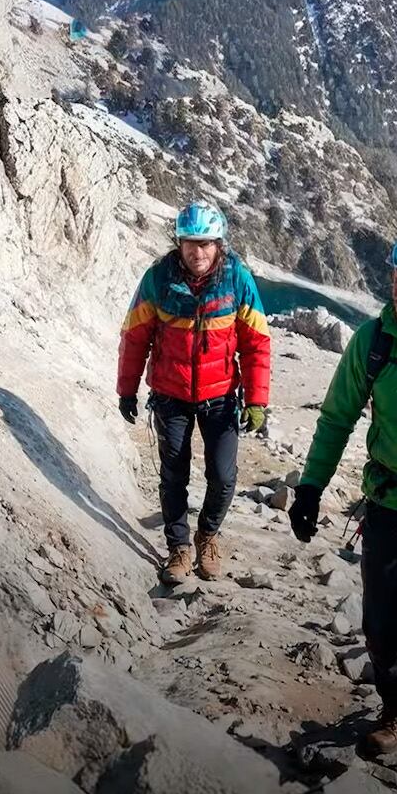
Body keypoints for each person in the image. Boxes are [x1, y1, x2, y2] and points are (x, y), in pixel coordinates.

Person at [290, 226, 397, 756]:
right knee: (382, 627)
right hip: (390, 503)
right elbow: (337, 417)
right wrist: (310, 487)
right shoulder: (374, 342)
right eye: (395, 279)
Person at [117, 200, 271, 582]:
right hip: (170, 395)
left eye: (205, 243)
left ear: (218, 244)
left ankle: (207, 534)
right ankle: (179, 548)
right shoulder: (158, 279)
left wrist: (256, 400)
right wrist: (127, 389)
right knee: (173, 475)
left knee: (224, 476)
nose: (197, 252)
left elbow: (256, 343)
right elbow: (135, 337)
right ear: (179, 242)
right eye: (189, 243)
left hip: (221, 396)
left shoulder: (237, 279)